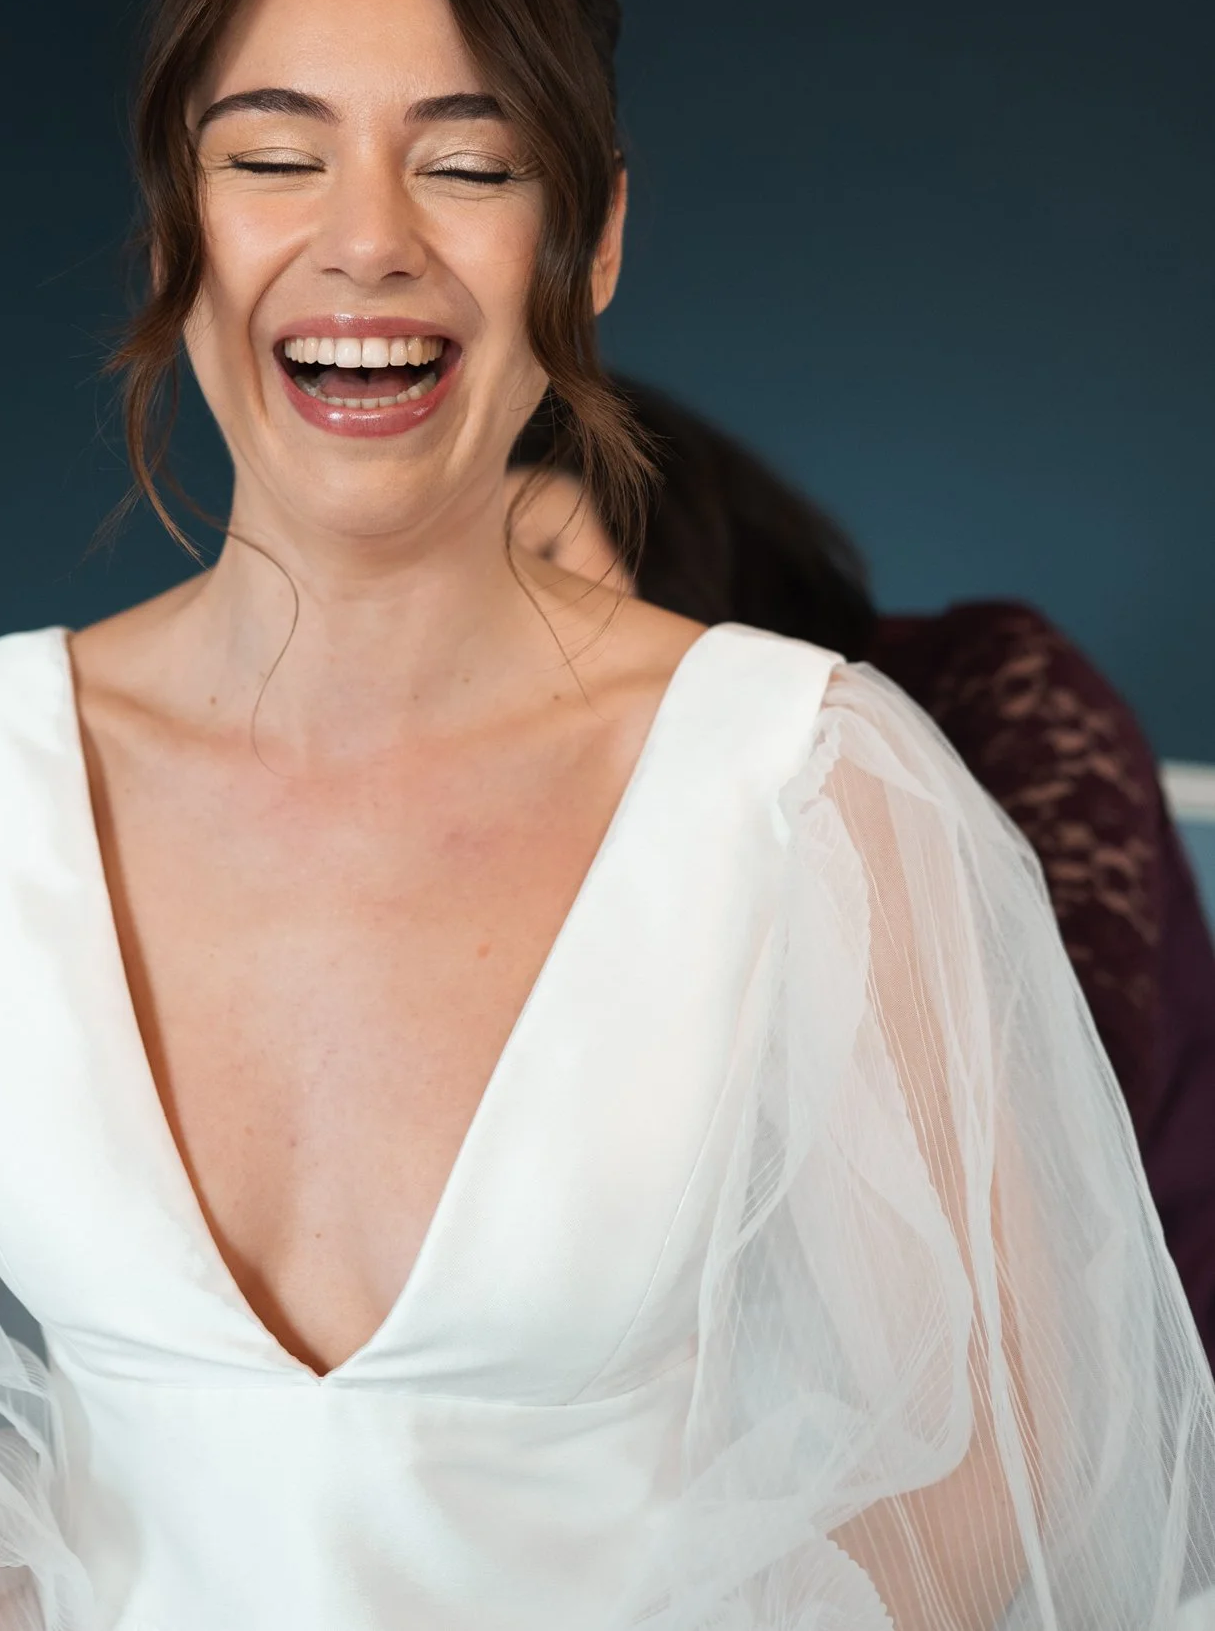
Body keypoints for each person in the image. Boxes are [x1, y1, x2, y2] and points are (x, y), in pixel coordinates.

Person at [0, 0, 1211, 1631]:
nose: (364, 246)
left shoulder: (819, 790)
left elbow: (992, 1497)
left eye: (468, 167)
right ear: (177, 227)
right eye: (273, 157)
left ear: (589, 243)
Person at [509, 378, 1215, 1369]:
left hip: (1119, 1360)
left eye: (540, 562)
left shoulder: (987, 685)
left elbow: (1051, 1133)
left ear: (658, 524)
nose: (511, 636)